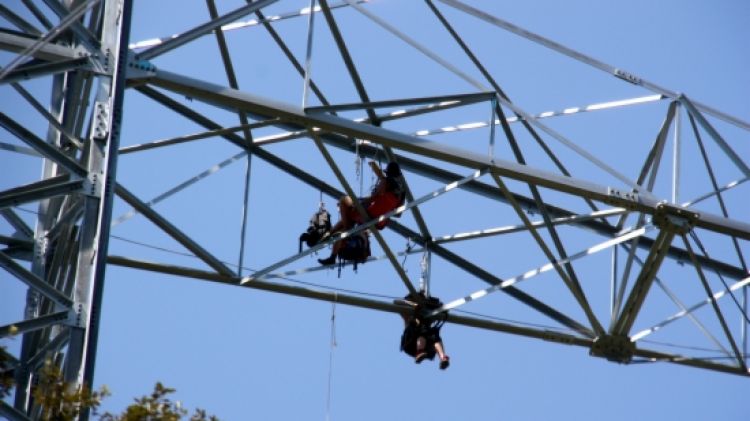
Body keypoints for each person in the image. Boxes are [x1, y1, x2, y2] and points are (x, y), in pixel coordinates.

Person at [317, 161, 406, 265]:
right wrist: (386, 209)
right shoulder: (402, 193)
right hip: (380, 221)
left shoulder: (386, 181)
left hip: (370, 214)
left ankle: (331, 237)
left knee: (344, 200)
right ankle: (332, 245)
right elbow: (398, 214)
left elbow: (375, 197)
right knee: (348, 218)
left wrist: (361, 202)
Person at [397, 291, 450, 370]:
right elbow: (397, 302)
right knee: (422, 329)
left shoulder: (427, 316)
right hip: (411, 344)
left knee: (434, 334)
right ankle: (419, 352)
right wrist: (414, 305)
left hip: (428, 348)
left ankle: (442, 357)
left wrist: (439, 308)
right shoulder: (408, 314)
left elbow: (443, 310)